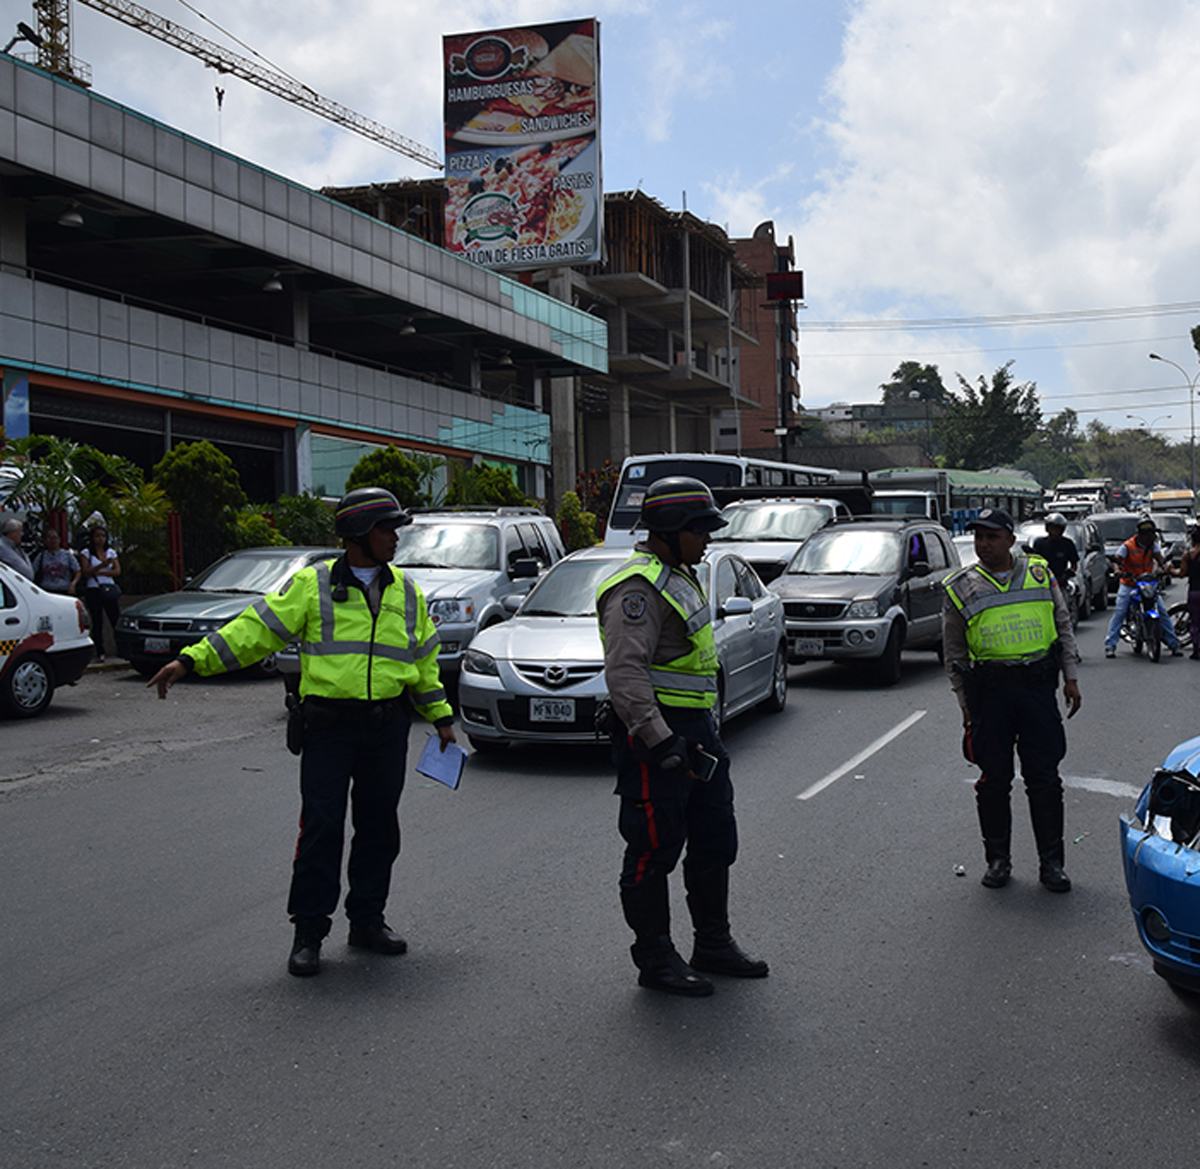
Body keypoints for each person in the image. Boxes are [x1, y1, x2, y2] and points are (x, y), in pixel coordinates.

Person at [149, 487, 456, 978]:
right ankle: (309, 931)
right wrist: (191, 660)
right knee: (321, 828)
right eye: (386, 530)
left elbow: (422, 661)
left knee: (379, 828)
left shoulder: (408, 591)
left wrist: (440, 716)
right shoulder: (312, 586)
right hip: (329, 729)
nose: (395, 539)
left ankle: (368, 920)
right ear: (358, 535)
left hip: (386, 729)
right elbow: (255, 630)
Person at [596, 476, 768, 997]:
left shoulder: (680, 574)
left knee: (716, 837)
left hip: (696, 731)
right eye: (701, 530)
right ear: (671, 531)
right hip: (659, 739)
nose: (709, 539)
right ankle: (655, 959)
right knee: (652, 848)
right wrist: (659, 738)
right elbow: (626, 673)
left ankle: (712, 942)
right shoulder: (637, 589)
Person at [943, 508, 1082, 893]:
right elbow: (953, 652)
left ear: (1010, 539)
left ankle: (1052, 864)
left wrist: (1070, 677)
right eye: (978, 537)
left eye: (991, 537)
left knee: (1045, 780)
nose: (983, 544)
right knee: (993, 781)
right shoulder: (960, 586)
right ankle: (998, 860)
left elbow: (1062, 625)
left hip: (1038, 690)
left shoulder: (1039, 572)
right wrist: (964, 703)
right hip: (990, 696)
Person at [1103, 515, 1182, 659]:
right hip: (1129, 584)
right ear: (1143, 534)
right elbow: (1117, 560)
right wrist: (1118, 571)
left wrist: (1165, 567)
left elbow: (1161, 560)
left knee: (1162, 612)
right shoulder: (1128, 546)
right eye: (1151, 533)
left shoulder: (1153, 546)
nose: (1154, 536)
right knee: (1120, 611)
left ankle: (1173, 644)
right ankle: (1110, 645)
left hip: (1147, 584)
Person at [79, 524, 121, 662]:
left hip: (109, 588)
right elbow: (85, 572)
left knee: (115, 619)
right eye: (97, 536)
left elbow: (117, 571)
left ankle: (121, 648)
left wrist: (101, 571)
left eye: (103, 536)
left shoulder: (110, 552)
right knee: (97, 621)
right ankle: (100, 651)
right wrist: (101, 566)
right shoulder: (87, 553)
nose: (100, 539)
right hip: (94, 588)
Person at [1172, 524, 1200, 660]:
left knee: (1195, 622)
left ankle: (1196, 650)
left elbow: (1181, 574)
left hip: (1194, 592)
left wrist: (1170, 570)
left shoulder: (1188, 556)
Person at [1031, 513, 1078, 590]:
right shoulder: (1040, 543)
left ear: (1061, 531)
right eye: (1051, 528)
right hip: (1042, 581)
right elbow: (1034, 561)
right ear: (1047, 529)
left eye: (1056, 529)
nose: (1054, 532)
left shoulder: (1067, 544)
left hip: (1060, 582)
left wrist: (1067, 574)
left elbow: (1074, 564)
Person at [32, 526, 80, 595]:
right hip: (46, 590)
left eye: (54, 537)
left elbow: (78, 571)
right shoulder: (41, 556)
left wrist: (73, 584)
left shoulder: (67, 555)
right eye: (49, 538)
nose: (52, 540)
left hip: (64, 589)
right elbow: (33, 571)